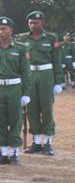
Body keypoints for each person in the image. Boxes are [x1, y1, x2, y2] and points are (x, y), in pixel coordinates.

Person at [17, 11, 63, 155]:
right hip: (29, 74)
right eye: (30, 22)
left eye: (35, 23)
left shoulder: (51, 38)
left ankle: (48, 142)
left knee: (46, 107)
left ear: (42, 22)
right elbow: (19, 61)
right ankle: (36, 141)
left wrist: (58, 81)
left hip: (46, 74)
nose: (32, 25)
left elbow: (57, 60)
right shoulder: (22, 38)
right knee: (32, 108)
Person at [0, 17, 32, 165]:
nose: (0, 32)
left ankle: (14, 153)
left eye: (4, 29)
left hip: (14, 88)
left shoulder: (20, 48)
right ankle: (2, 153)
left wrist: (26, 93)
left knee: (15, 120)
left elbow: (26, 72)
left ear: (11, 30)